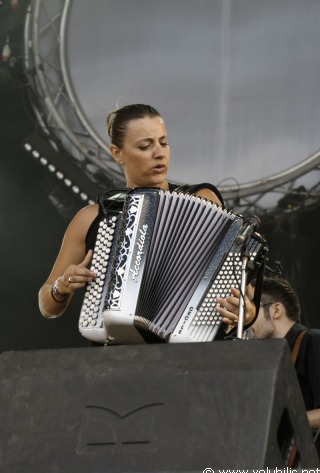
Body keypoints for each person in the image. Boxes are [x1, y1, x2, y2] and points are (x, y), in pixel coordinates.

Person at [38, 103, 255, 337]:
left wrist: (248, 312)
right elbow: (47, 306)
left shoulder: (203, 199)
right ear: (117, 153)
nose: (159, 153)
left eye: (164, 142)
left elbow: (243, 293)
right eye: (145, 146)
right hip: (116, 355)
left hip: (191, 351)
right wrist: (62, 286)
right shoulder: (91, 218)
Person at [248, 276, 320, 436]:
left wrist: (278, 423)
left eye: (251, 308)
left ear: (276, 310)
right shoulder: (270, 360)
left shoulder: (313, 341)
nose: (246, 319)